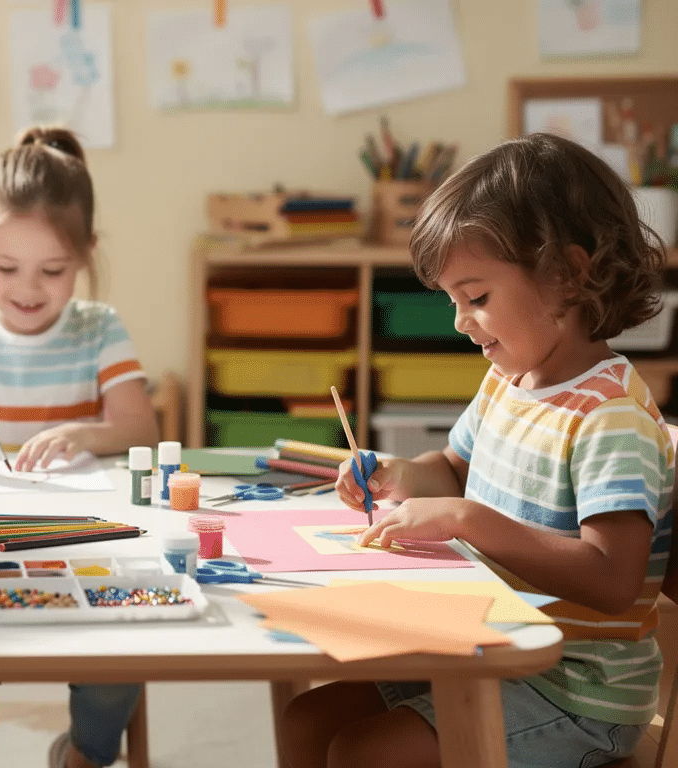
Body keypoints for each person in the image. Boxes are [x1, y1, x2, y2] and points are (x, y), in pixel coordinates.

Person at [281, 131, 676, 768]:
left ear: (567, 275)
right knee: (308, 719)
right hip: (487, 646)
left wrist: (467, 521)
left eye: (478, 298)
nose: (461, 322)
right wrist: (394, 474)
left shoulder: (611, 419)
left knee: (370, 752)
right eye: (454, 302)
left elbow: (612, 579)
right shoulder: (508, 383)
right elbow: (451, 470)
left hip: (575, 694)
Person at [0, 127, 160, 768]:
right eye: (5, 267)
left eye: (53, 271)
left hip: (80, 542)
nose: (26, 289)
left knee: (114, 670)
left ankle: (81, 757)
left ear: (87, 254)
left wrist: (82, 432)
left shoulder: (98, 327)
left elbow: (140, 429)